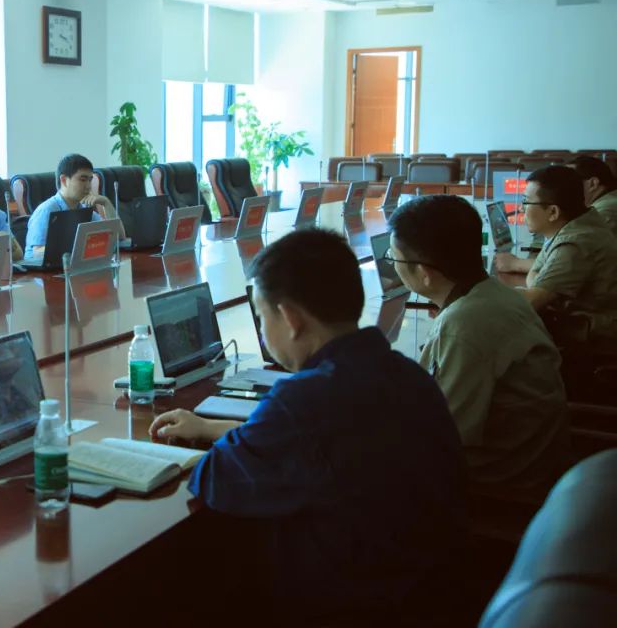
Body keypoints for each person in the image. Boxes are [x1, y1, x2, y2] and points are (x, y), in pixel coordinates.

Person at [149, 229, 465, 624]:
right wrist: (217, 429)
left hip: (348, 604)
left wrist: (231, 440)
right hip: (427, 592)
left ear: (290, 319)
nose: (262, 329)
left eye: (262, 317)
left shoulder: (304, 400)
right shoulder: (406, 373)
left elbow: (216, 480)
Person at [388, 195, 570, 494]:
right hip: (532, 460)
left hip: (498, 485)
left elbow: (443, 437)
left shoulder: (463, 325)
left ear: (424, 272)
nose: (393, 266)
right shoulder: (497, 293)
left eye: (393, 258)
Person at [494, 165, 617, 346]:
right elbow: (535, 273)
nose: (521, 208)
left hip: (595, 339)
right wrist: (540, 288)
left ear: (553, 212)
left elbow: (530, 302)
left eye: (526, 201)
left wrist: (481, 297)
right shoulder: (570, 226)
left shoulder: (576, 242)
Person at [24, 153, 123, 250]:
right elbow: (37, 252)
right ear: (64, 180)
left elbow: (119, 237)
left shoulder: (83, 209)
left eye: (90, 180)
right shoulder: (46, 210)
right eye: (83, 180)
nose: (88, 186)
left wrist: (106, 203)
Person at [569, 155, 617, 236]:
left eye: (569, 182)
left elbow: (580, 239)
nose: (561, 187)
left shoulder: (606, 210)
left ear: (593, 184)